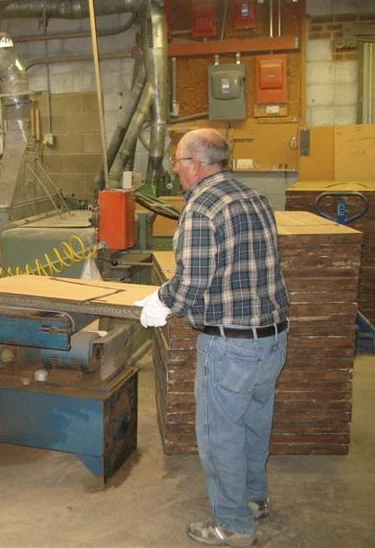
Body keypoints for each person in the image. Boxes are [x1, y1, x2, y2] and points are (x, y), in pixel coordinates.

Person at [135, 128, 290, 547]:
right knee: (255, 424)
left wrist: (160, 302)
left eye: (178, 163)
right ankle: (254, 498)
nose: (177, 171)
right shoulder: (254, 198)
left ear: (195, 164)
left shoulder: (202, 207)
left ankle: (235, 525)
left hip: (231, 346)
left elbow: (192, 282)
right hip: (272, 338)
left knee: (220, 434)